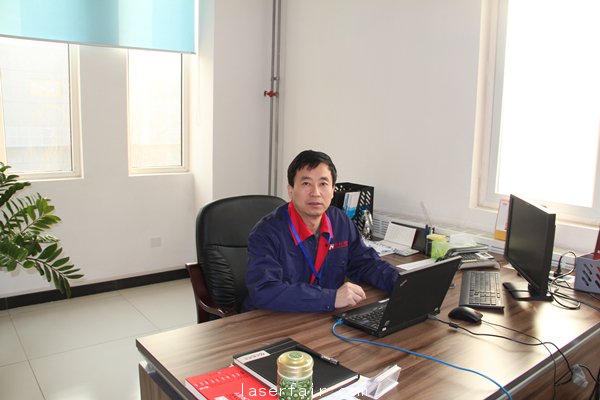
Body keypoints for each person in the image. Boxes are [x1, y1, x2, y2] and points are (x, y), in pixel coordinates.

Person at [243, 150, 398, 312]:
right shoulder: (266, 233)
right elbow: (265, 291)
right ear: (290, 190)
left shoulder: (339, 221)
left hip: (322, 315)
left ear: (333, 190)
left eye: (323, 184)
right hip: (271, 317)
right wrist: (331, 298)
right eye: (306, 183)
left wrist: (401, 283)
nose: (315, 193)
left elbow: (366, 263)